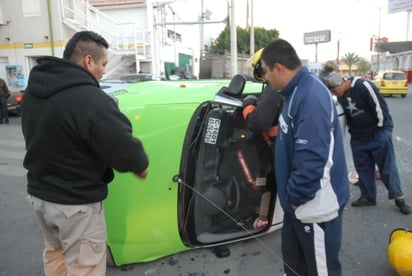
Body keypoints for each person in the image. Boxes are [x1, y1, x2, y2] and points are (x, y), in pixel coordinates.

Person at [21, 31, 149, 275]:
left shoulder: (34, 91)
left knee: (55, 256)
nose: (103, 71)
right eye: (103, 64)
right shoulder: (90, 99)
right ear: (88, 61)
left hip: (40, 197)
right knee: (85, 267)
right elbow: (123, 146)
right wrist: (139, 165)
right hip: (75, 205)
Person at [260, 39, 349, 276]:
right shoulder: (294, 92)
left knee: (320, 271)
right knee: (295, 266)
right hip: (297, 208)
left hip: (314, 208)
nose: (266, 77)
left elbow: (312, 159)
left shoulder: (311, 96)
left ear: (279, 68)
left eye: (267, 71)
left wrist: (296, 198)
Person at [329, 73, 411, 215]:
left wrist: (382, 131)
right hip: (358, 138)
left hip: (377, 134)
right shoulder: (341, 96)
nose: (335, 94)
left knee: (387, 168)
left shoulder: (363, 86)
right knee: (363, 168)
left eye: (335, 90)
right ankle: (368, 196)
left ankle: (399, 198)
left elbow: (380, 107)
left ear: (342, 83)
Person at [242, 48, 284, 146]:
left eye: (260, 72)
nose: (263, 77)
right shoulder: (287, 84)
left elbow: (258, 123)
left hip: (279, 146)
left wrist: (248, 104)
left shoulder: (274, 89)